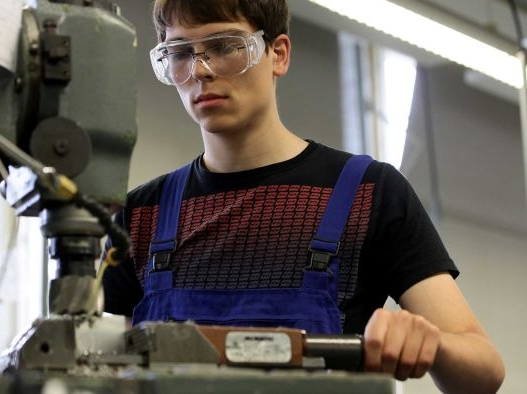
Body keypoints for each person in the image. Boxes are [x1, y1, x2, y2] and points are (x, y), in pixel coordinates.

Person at [102, 0, 504, 392]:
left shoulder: (368, 192)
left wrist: (430, 344)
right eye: (181, 52)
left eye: (225, 47)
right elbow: (100, 363)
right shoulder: (141, 216)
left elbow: (483, 370)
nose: (200, 70)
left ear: (277, 54)